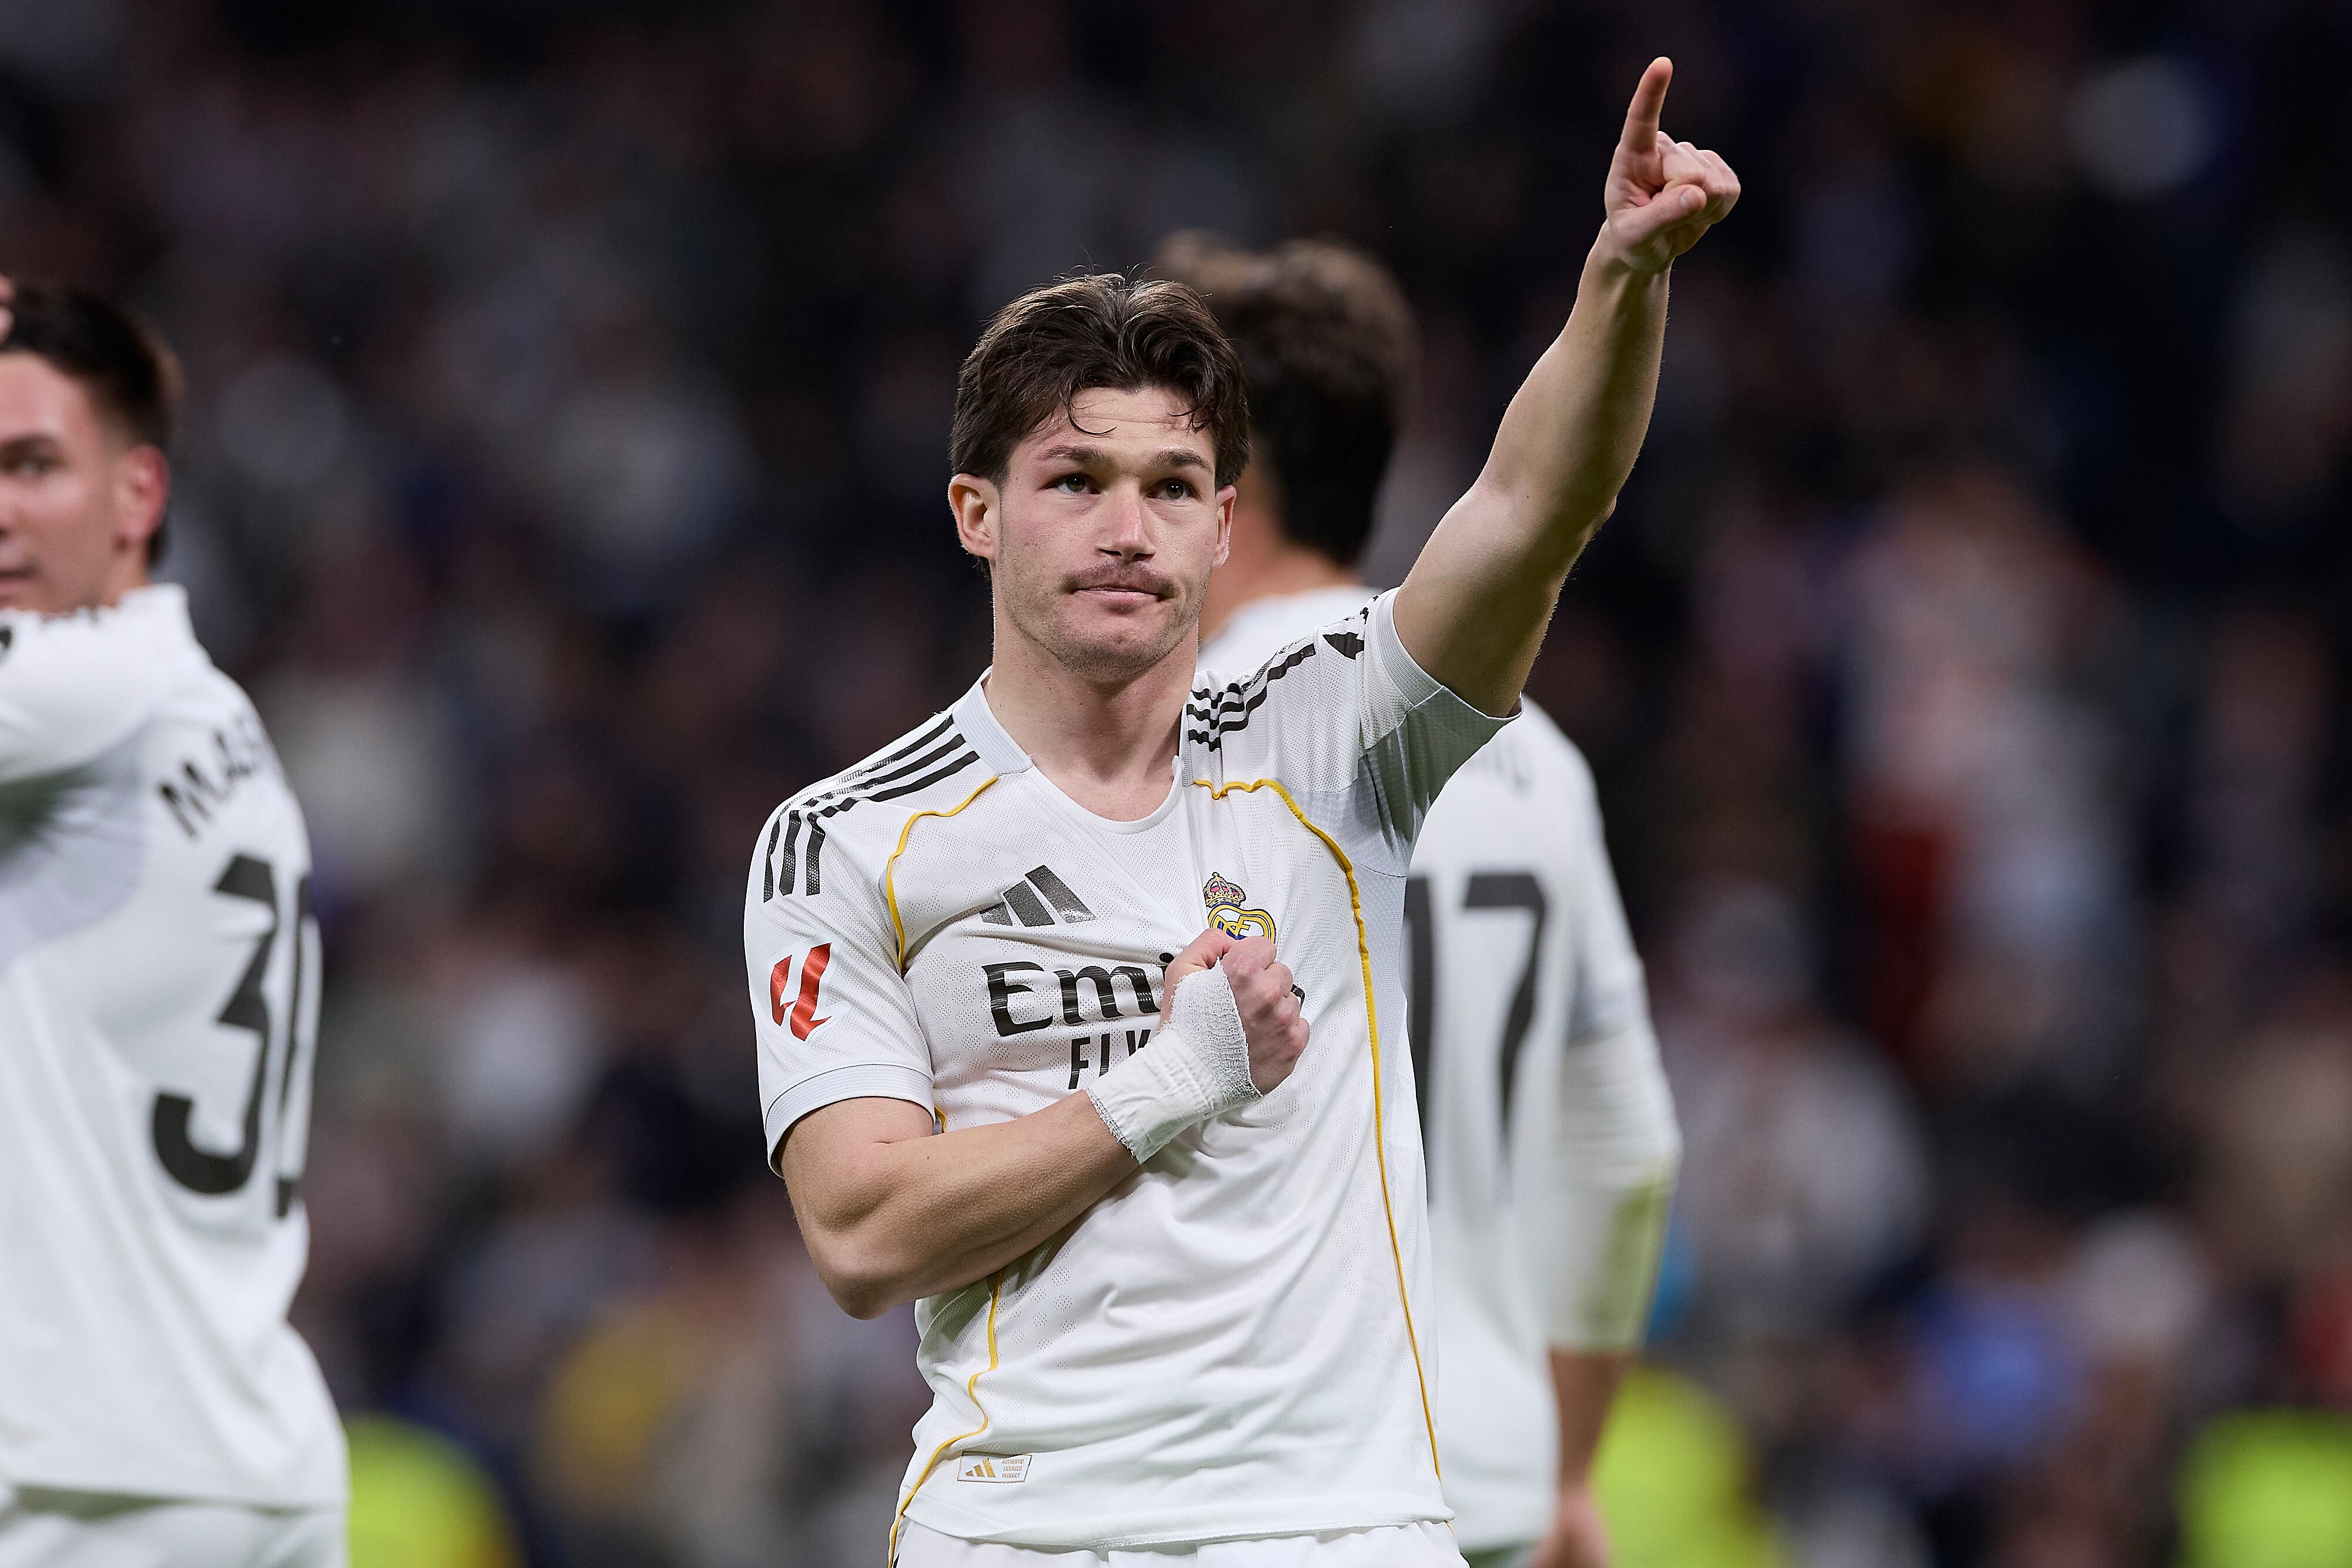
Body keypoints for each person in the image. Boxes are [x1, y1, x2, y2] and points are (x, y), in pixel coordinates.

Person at [744, 61, 1736, 1566]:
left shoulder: (1336, 741)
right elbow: (861, 1233)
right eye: (1073, 479)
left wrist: (1620, 280)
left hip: (1339, 1526)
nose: (1123, 528)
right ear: (975, 512)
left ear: (1224, 522)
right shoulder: (844, 837)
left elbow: (1532, 509)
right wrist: (1175, 1075)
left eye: (1169, 485)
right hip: (1023, 1531)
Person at [1160, 233, 1681, 1568]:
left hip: (1259, 1488)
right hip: (1486, 1478)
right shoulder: (1537, 756)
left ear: (1233, 486)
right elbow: (1624, 1146)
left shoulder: (1185, 738)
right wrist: (1567, 1467)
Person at [0, 282, 346, 1564]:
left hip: (90, 1483)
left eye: (33, 464)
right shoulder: (200, 712)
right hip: (236, 1457)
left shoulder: (79, 693)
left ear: (137, 493)